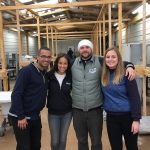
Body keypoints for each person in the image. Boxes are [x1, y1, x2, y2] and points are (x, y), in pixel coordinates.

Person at [71, 39, 135, 150]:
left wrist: (130, 66)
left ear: (91, 49)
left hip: (95, 110)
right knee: (81, 140)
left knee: (96, 141)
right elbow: (58, 67)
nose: (85, 49)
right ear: (79, 50)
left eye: (87, 47)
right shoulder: (72, 63)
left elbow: (117, 62)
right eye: (82, 47)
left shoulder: (100, 61)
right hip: (77, 110)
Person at [8, 47, 51, 150]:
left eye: (48, 57)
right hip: (22, 117)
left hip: (35, 116)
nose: (46, 59)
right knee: (25, 146)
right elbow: (16, 94)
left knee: (36, 145)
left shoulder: (44, 73)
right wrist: (21, 116)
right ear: (37, 57)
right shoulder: (27, 71)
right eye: (43, 56)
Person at [101, 47, 141, 150]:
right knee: (115, 147)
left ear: (118, 58)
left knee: (132, 147)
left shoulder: (127, 74)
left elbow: (135, 97)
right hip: (111, 118)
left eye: (113, 57)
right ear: (104, 59)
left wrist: (136, 120)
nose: (110, 59)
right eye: (108, 57)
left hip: (128, 118)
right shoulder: (103, 74)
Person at [47, 53, 72, 150]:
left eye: (65, 63)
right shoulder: (49, 76)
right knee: (55, 141)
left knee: (62, 139)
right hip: (53, 113)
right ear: (56, 63)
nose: (62, 66)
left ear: (68, 65)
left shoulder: (70, 76)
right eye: (60, 63)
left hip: (67, 113)